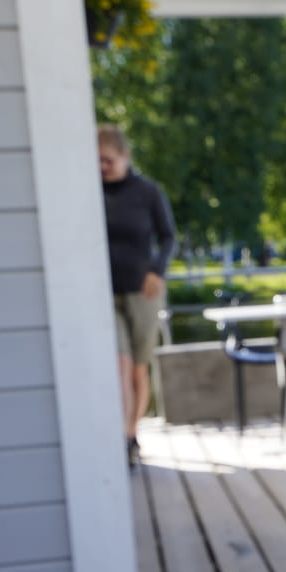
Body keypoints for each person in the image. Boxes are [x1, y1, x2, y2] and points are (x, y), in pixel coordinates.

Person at [99, 124, 176, 467]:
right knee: (120, 364)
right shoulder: (91, 193)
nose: (103, 167)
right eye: (97, 161)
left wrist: (156, 271)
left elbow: (169, 236)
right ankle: (118, 435)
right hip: (105, 293)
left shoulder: (147, 192)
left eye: (108, 160)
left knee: (137, 369)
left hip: (142, 293)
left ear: (125, 157)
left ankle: (131, 433)